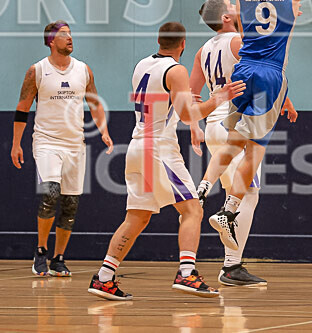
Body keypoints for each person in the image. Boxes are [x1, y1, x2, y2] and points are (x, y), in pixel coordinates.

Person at [88, 22, 245, 301]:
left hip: (136, 146)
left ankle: (104, 277)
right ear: (183, 44)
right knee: (193, 211)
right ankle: (187, 273)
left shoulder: (141, 66)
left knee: (137, 217)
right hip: (159, 149)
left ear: (159, 40)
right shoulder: (177, 70)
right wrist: (219, 98)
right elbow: (187, 115)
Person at [208, 0, 312, 250]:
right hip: (270, 76)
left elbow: (246, 32)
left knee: (234, 141)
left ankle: (206, 185)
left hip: (243, 71)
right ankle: (228, 209)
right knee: (254, 152)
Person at [189, 0, 297, 286]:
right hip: (236, 120)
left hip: (213, 125)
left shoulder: (203, 50)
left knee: (234, 192)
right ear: (225, 17)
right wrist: (282, 99)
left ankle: (229, 260)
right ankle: (231, 266)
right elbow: (259, 77)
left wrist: (194, 125)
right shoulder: (239, 41)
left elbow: (192, 94)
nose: (237, 5)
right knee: (248, 193)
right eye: (231, 4)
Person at [11, 21, 113, 277]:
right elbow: (23, 108)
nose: (69, 38)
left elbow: (95, 104)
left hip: (75, 145)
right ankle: (41, 251)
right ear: (50, 40)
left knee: (70, 204)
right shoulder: (37, 70)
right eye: (64, 34)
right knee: (51, 193)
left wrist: (104, 132)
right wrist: (16, 144)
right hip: (46, 142)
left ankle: (59, 258)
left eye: (70, 34)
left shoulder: (83, 70)